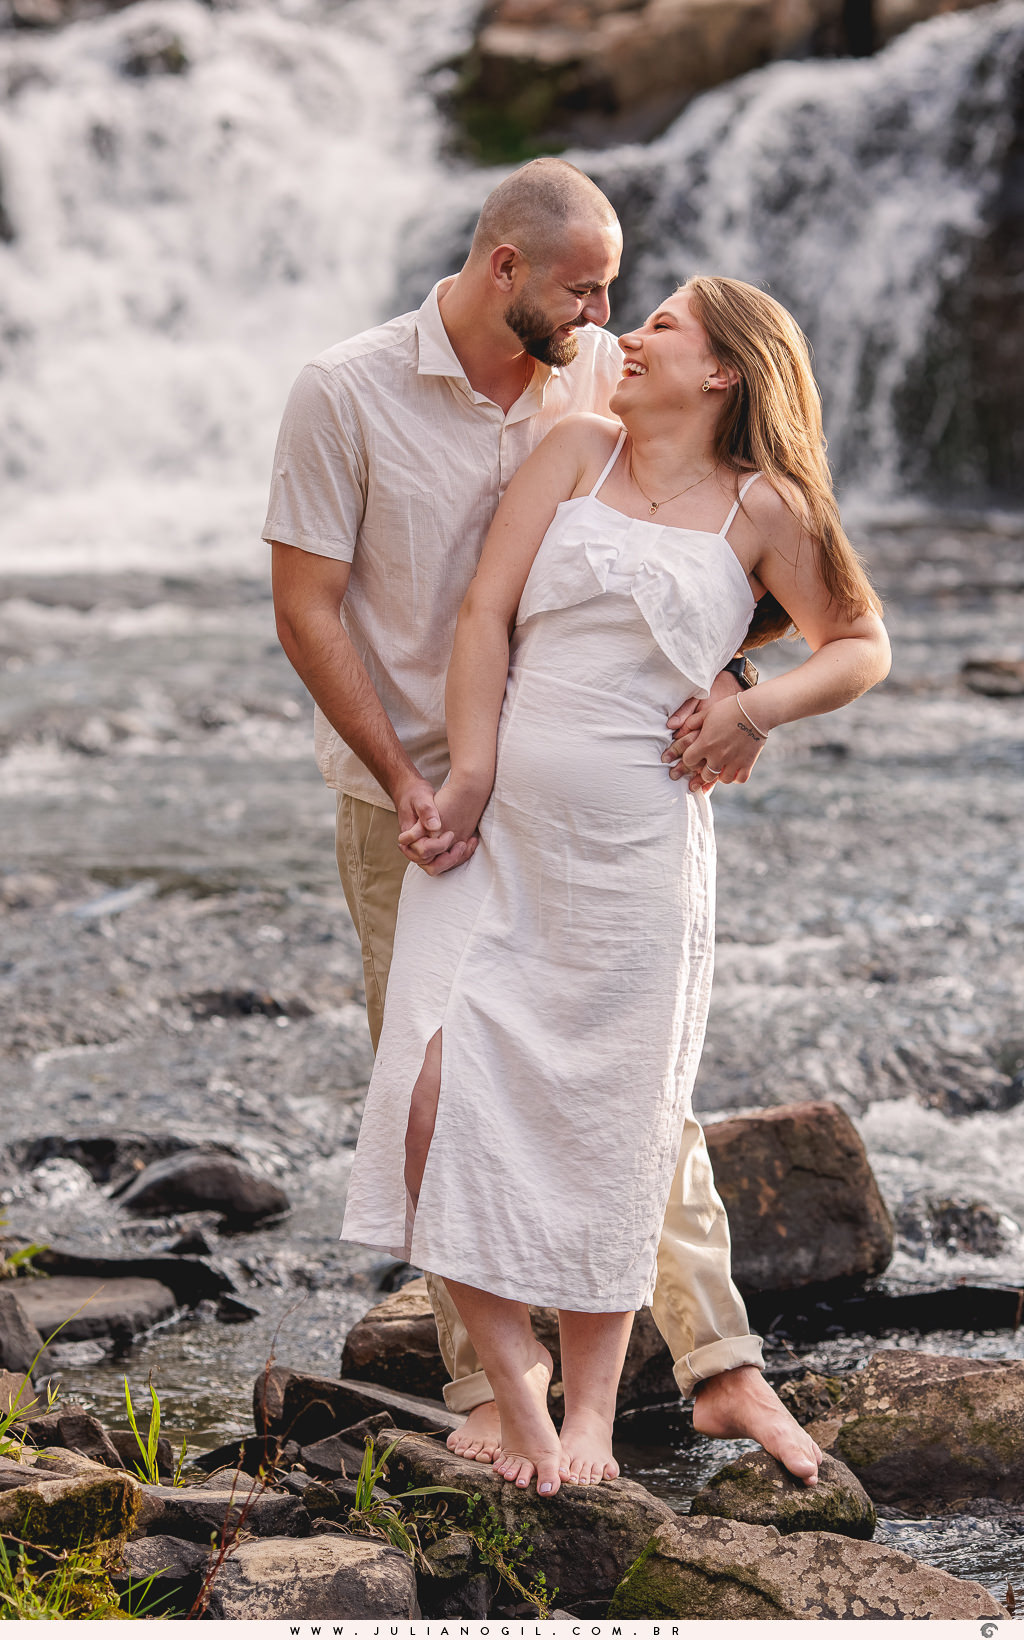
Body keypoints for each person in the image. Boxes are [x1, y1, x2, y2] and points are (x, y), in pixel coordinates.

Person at [267, 159, 813, 1483]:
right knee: (440, 1080)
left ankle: (717, 1365)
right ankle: (490, 1386)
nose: (607, 315)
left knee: (631, 1082)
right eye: (585, 288)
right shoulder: (346, 392)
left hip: (593, 796)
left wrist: (736, 689)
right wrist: (408, 775)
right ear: (504, 267)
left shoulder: (602, 379)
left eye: (619, 293)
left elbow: (714, 547)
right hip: (417, 793)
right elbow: (306, 608)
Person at [340, 273, 891, 1496]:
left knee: (611, 1123)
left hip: (637, 859)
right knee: (429, 1093)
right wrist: (470, 772)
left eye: (662, 326)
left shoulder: (764, 505)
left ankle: (588, 1412)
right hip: (496, 845)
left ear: (724, 370)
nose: (627, 336)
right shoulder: (576, 450)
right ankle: (513, 1376)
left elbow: (861, 643)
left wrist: (754, 705)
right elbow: (484, 615)